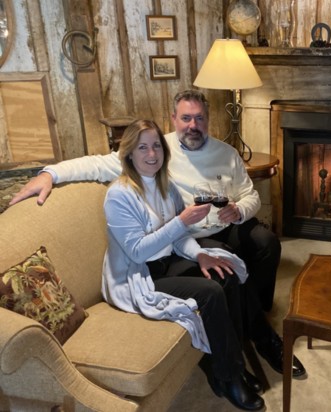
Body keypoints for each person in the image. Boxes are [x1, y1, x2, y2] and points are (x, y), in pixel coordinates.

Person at [10, 89, 306, 378]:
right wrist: (49, 174)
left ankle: (258, 312)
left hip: (225, 221)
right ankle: (261, 338)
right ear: (173, 118)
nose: (193, 125)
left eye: (200, 118)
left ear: (208, 119)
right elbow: (97, 164)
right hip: (189, 232)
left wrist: (239, 210)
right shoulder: (155, 149)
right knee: (223, 270)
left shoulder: (226, 153)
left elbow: (250, 194)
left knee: (267, 243)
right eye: (186, 118)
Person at [103, 119, 263, 411]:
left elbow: (179, 238)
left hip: (168, 261)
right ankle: (226, 377)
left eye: (156, 146)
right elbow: (138, 252)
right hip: (141, 275)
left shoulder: (166, 186)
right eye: (142, 147)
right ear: (128, 154)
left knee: (224, 273)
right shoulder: (119, 195)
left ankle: (233, 363)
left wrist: (201, 255)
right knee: (210, 293)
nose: (151, 154)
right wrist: (180, 221)